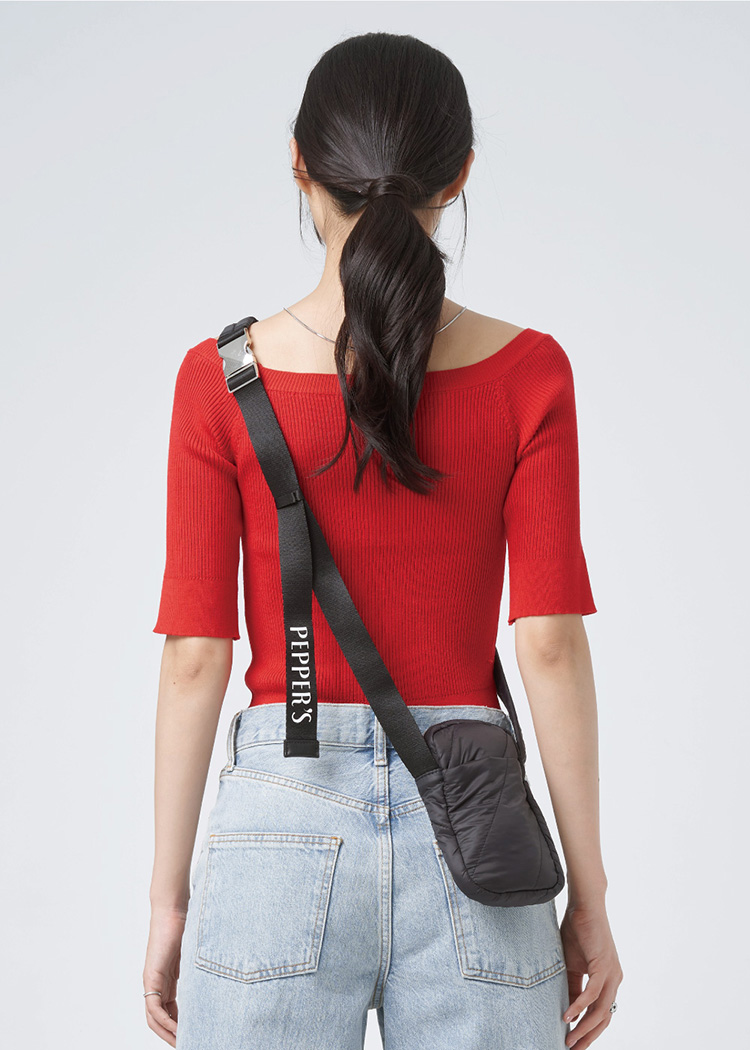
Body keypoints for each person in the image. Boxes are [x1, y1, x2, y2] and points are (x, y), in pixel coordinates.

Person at [143, 30, 622, 1050]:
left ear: (300, 164)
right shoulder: (530, 373)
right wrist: (589, 894)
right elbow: (547, 643)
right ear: (460, 176)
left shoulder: (219, 381)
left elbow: (195, 658)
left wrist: (167, 901)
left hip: (280, 818)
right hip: (475, 828)